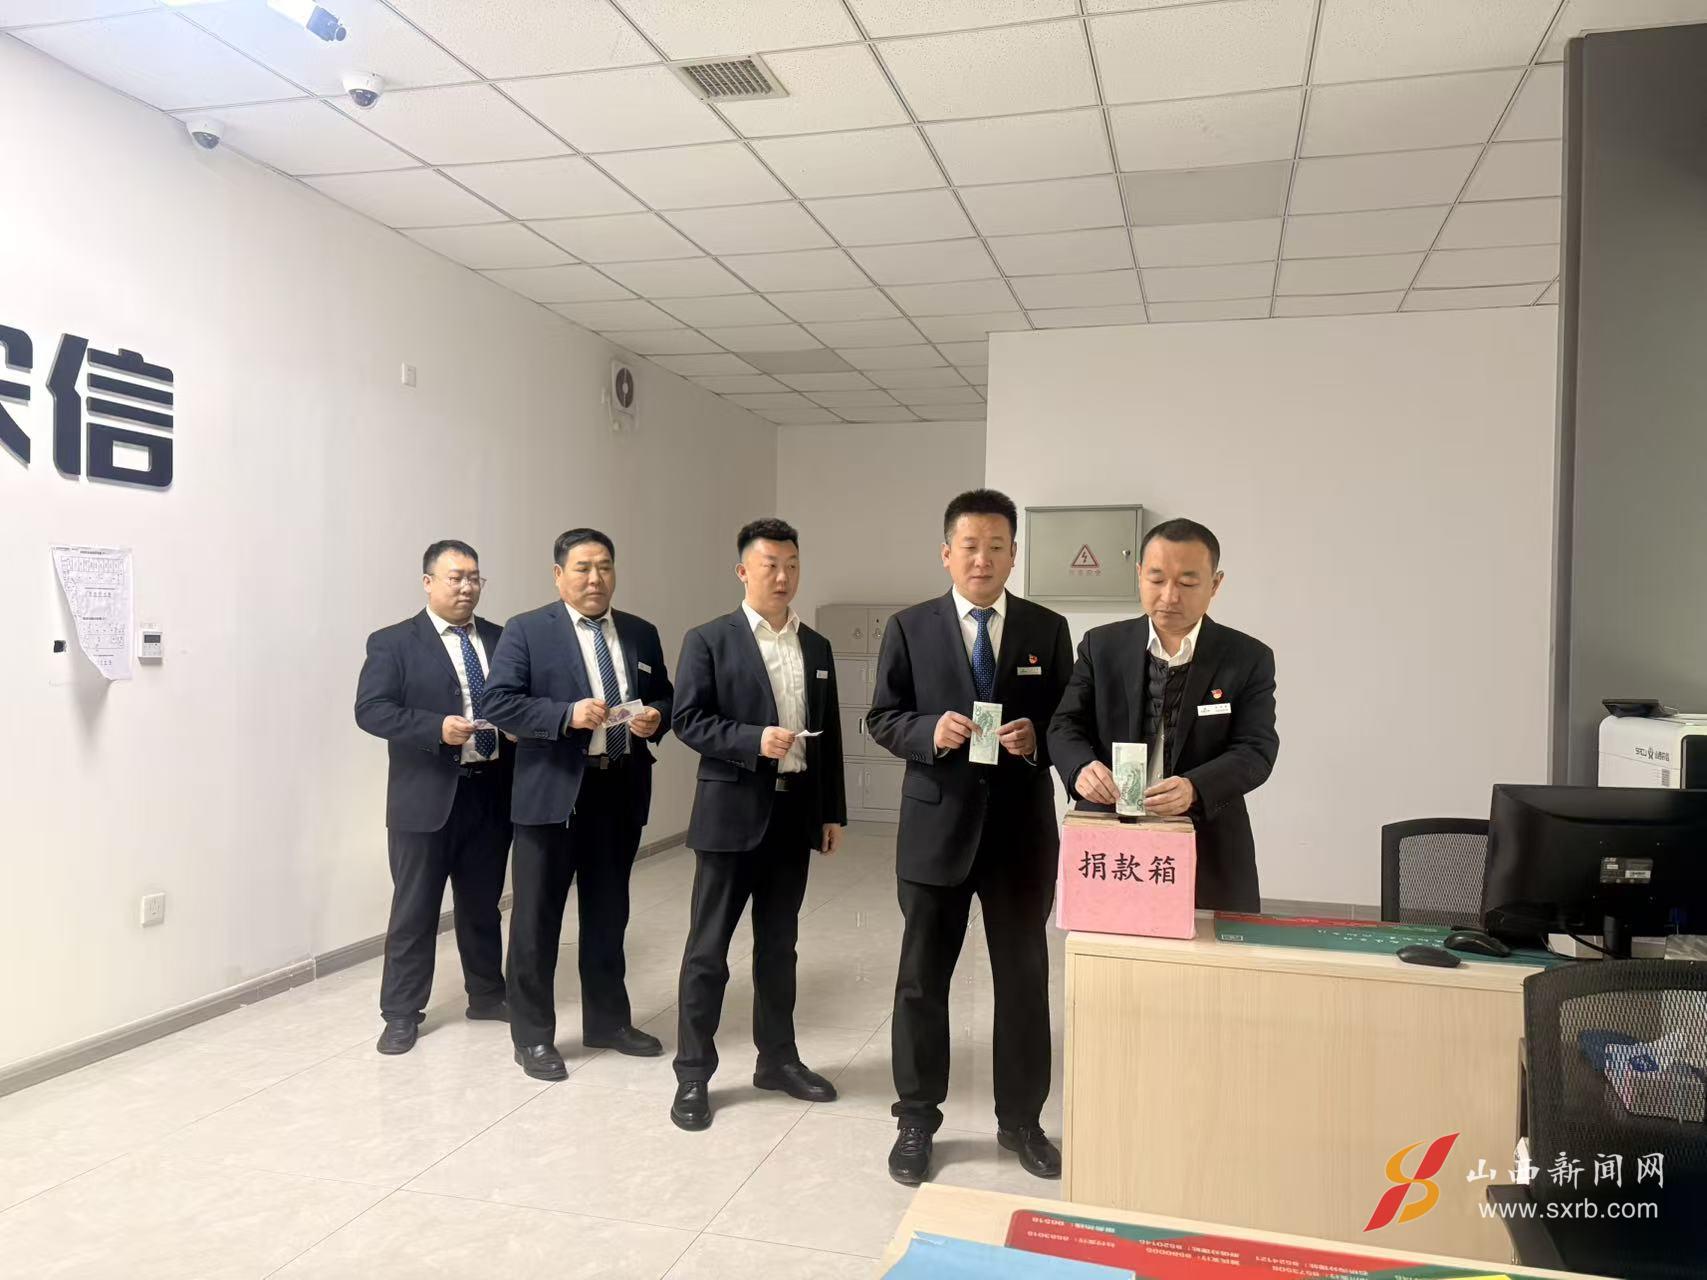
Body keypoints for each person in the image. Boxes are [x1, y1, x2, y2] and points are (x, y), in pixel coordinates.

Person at [866, 489, 1073, 1186]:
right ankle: (916, 1120)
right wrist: (929, 730)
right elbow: (882, 716)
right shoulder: (909, 626)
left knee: (1024, 982)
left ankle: (1022, 1121)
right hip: (936, 830)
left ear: (1014, 554)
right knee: (922, 983)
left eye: (996, 547)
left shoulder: (1047, 629)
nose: (982, 559)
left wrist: (1037, 738)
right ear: (946, 553)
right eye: (969, 546)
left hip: (1020, 835)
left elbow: (1069, 723)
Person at [668, 518, 846, 1132]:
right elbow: (687, 719)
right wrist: (751, 740)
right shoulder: (708, 639)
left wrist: (830, 811)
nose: (783, 576)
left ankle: (778, 1061)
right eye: (771, 565)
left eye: (792, 564)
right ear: (743, 571)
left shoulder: (815, 646)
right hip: (729, 817)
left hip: (793, 815)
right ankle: (693, 1074)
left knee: (779, 948)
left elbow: (829, 735)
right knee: (708, 951)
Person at [482, 529, 674, 1081]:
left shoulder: (640, 632)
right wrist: (565, 715)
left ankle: (609, 1023)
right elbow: (498, 702)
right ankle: (533, 1037)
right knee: (536, 921)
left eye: (605, 567)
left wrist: (657, 717)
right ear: (558, 574)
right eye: (583, 568)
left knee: (609, 913)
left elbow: (664, 693)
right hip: (552, 796)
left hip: (619, 789)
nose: (596, 579)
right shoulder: (526, 630)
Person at [1047, 517, 1278, 911]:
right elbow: (1064, 724)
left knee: (1205, 946)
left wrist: (1195, 787)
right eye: (1156, 579)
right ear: (1139, 574)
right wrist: (1081, 767)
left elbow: (1256, 750)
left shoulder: (1247, 657)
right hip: (1111, 839)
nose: (1169, 596)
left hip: (1208, 841)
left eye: (1187, 583)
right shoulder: (1101, 646)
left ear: (1215, 584)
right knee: (1111, 943)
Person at [354, 540, 514, 1055]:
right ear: (428, 582)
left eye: (474, 578)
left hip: (490, 792)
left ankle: (487, 995)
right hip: (424, 799)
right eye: (455, 577)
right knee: (415, 910)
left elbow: (520, 701)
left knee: (483, 904)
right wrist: (434, 728)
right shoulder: (393, 642)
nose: (467, 587)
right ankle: (401, 1014)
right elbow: (371, 710)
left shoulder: (502, 639)